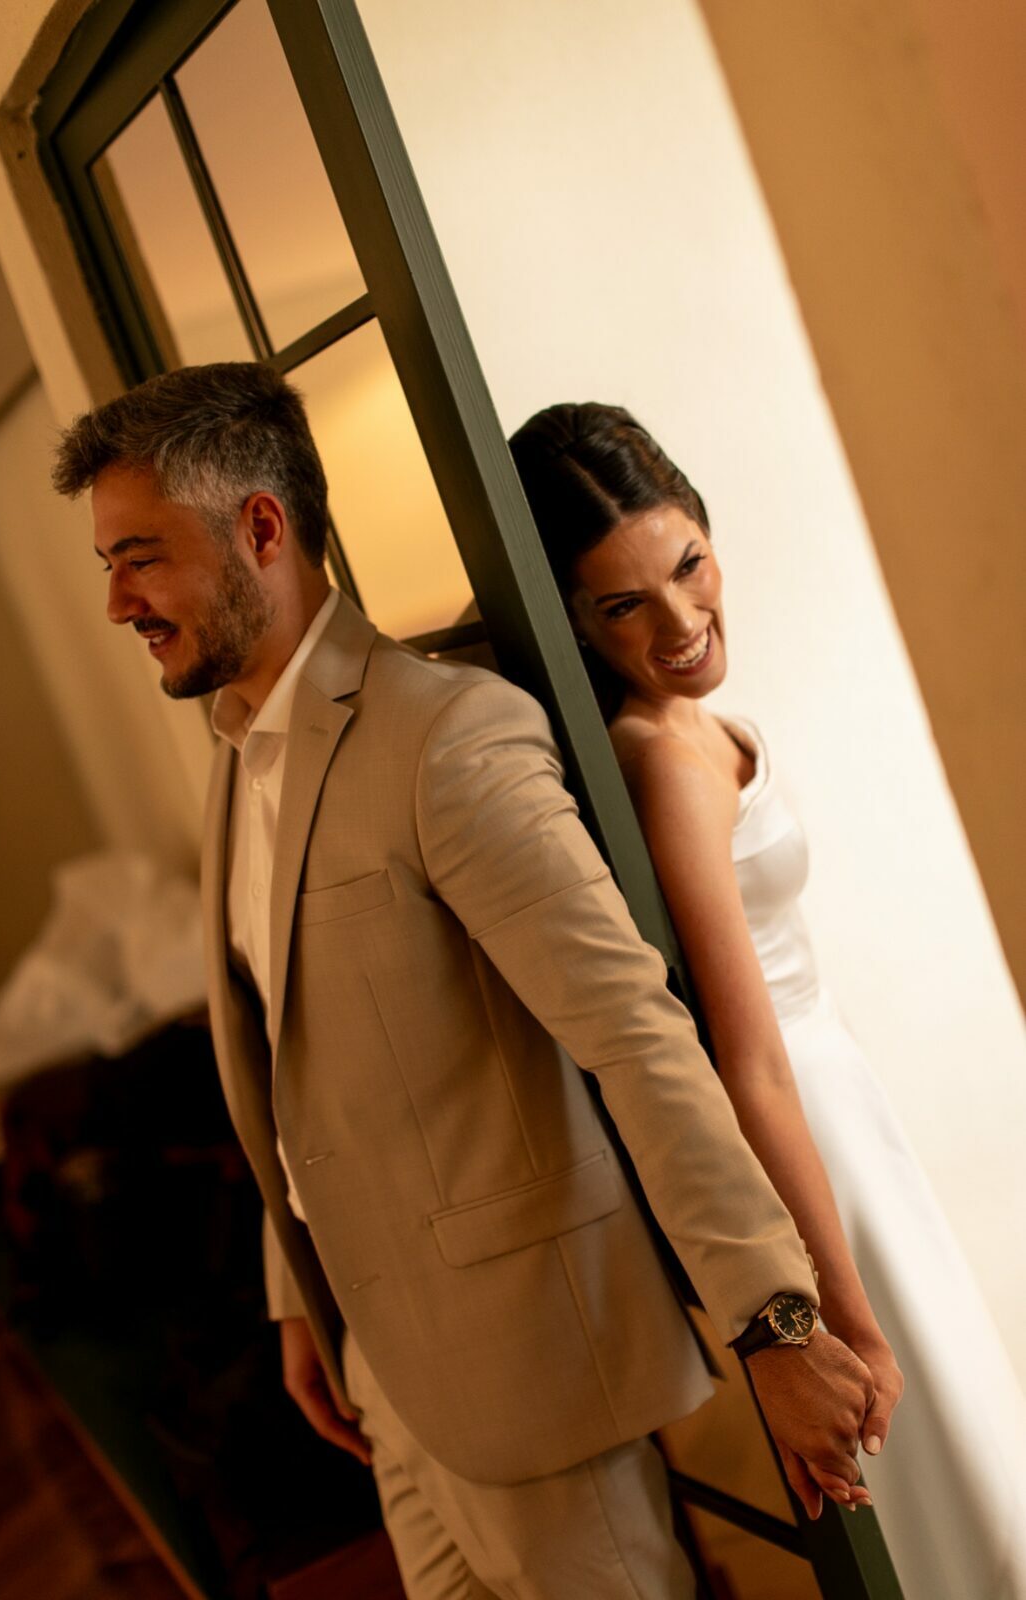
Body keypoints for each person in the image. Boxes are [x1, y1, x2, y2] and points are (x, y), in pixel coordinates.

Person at [53, 363, 879, 1600]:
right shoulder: (234, 750)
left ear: (260, 528)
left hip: (535, 1382)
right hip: (386, 1382)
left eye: (140, 558)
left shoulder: (444, 736)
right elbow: (296, 1065)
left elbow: (634, 1035)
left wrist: (774, 1321)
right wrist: (297, 1296)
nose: (119, 601)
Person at [509, 400, 1026, 1600]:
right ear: (574, 618)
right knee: (965, 1489)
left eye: (687, 564)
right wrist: (837, 1310)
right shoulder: (658, 757)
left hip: (843, 1105)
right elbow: (742, 1063)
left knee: (982, 1459)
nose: (681, 621)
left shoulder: (691, 727)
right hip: (806, 1139)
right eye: (622, 605)